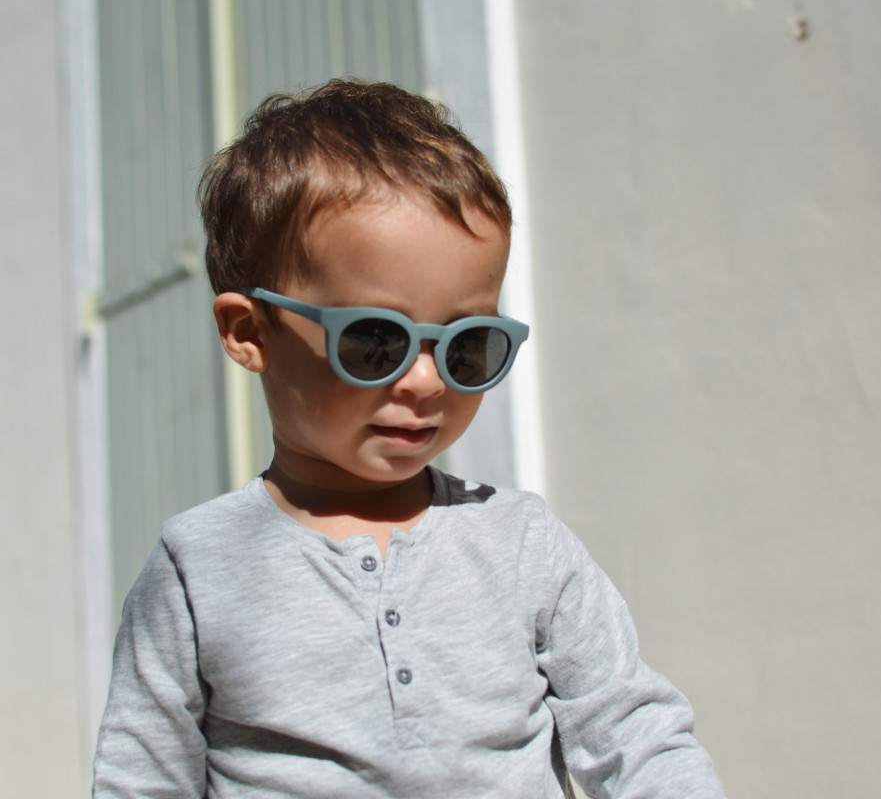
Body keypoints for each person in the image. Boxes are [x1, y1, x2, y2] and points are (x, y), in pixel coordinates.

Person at [92, 78, 726, 799]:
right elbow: (142, 779)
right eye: (375, 341)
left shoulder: (519, 543)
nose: (426, 382)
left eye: (468, 347)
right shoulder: (199, 567)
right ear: (250, 332)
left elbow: (633, 729)